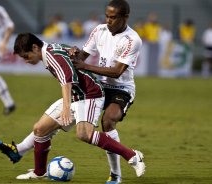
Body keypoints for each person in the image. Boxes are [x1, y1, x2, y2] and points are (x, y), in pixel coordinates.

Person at [0, 33, 145, 180]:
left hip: (90, 94)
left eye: (26, 56)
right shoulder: (51, 49)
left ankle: (132, 156)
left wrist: (66, 107)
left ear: (35, 47)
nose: (26, 61)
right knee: (40, 129)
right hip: (76, 95)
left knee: (84, 134)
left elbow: (67, 81)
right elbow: (71, 53)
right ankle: (37, 170)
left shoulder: (52, 56)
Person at [69, 0, 144, 183]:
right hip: (99, 86)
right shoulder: (99, 30)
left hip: (121, 88)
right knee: (67, 117)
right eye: (107, 16)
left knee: (108, 120)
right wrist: (73, 53)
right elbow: (82, 56)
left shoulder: (132, 40)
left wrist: (85, 65)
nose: (109, 21)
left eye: (113, 17)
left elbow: (118, 72)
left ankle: (116, 174)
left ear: (125, 17)